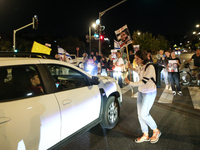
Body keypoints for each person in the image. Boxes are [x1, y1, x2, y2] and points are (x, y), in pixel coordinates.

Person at [125, 50, 161, 144]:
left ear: (142, 58)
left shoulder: (150, 67)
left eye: (137, 58)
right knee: (140, 115)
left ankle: (156, 130)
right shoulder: (141, 66)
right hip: (141, 92)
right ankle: (145, 134)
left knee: (144, 113)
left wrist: (130, 83)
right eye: (135, 58)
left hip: (149, 92)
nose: (135, 60)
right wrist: (132, 68)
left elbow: (143, 81)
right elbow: (138, 71)